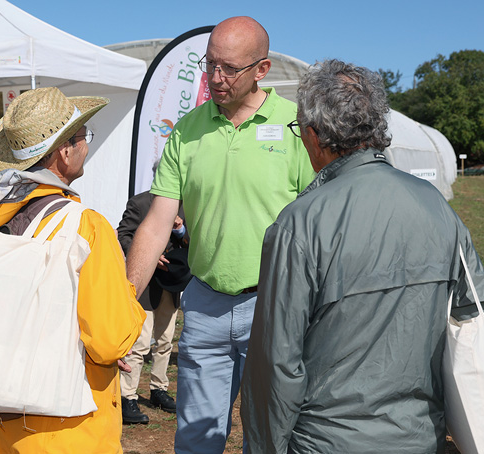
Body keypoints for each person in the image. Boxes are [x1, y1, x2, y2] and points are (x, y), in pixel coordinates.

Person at [240, 59, 484, 454]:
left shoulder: (299, 224)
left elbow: (276, 364)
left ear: (314, 135)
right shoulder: (437, 207)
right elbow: (471, 314)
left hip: (326, 440)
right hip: (419, 436)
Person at [125, 16, 314, 452]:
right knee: (195, 439)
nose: (215, 77)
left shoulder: (296, 127)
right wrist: (124, 303)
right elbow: (156, 224)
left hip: (275, 305)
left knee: (271, 437)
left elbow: (319, 223)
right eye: (210, 64)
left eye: (229, 68)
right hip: (206, 303)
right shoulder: (188, 130)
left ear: (261, 70)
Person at [0, 86, 146, 453]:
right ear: (65, 150)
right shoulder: (86, 226)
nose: (85, 146)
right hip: (71, 426)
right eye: (82, 137)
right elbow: (109, 341)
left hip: (1, 420)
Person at [117, 189, 189, 424]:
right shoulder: (139, 203)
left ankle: (159, 389)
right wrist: (147, 253)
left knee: (166, 341)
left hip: (170, 285)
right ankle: (127, 396)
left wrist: (179, 229)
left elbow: (191, 241)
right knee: (138, 343)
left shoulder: (186, 206)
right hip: (145, 285)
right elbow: (123, 235)